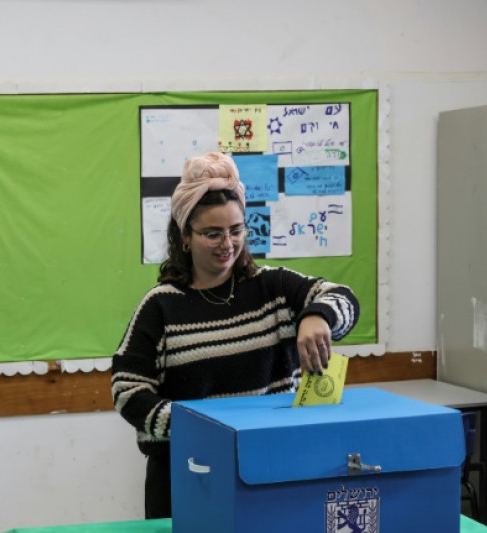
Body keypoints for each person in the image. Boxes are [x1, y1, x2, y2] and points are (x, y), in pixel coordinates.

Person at [110, 152, 360, 519]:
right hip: (188, 475)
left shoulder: (272, 287)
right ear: (184, 237)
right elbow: (127, 389)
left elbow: (342, 298)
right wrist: (198, 431)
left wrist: (317, 316)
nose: (228, 244)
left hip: (272, 468)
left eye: (236, 230)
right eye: (212, 233)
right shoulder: (161, 307)